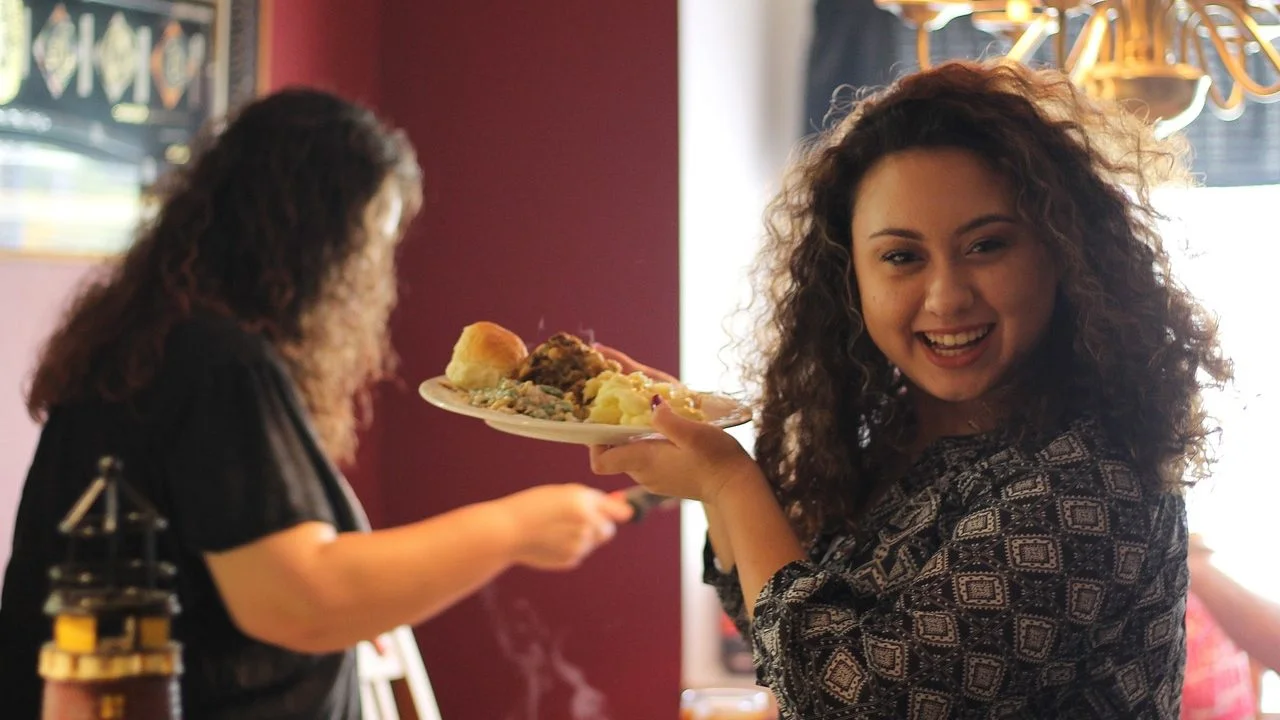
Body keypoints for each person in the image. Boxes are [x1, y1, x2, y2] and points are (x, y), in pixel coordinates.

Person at [591, 59, 1230, 718]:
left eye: (986, 245)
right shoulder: (892, 445)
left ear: (1060, 255)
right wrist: (696, 446)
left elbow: (853, 699)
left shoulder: (1090, 480)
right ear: (852, 283)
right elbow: (780, 628)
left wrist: (728, 481)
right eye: (901, 257)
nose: (947, 296)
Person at [0, 88, 632, 720]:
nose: (374, 277)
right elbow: (300, 599)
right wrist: (515, 528)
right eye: (370, 244)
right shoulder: (217, 363)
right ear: (316, 240)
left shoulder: (154, 341)